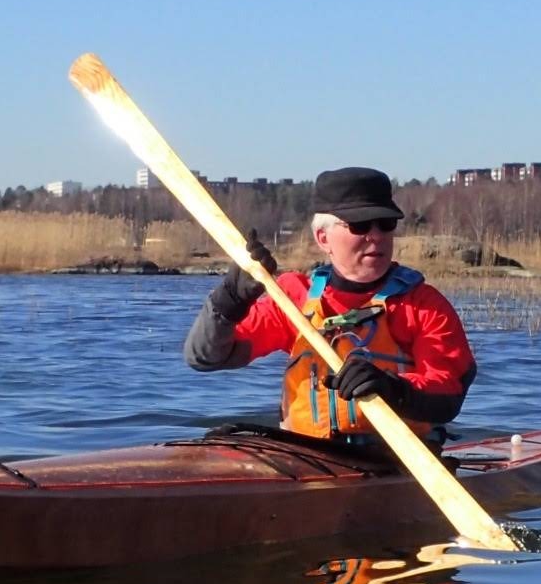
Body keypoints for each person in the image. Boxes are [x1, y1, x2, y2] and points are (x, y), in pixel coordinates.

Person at [184, 167, 476, 447]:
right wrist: (230, 300)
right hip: (310, 456)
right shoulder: (293, 297)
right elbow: (205, 358)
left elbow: (448, 395)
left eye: (385, 224)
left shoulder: (424, 305)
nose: (375, 235)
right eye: (360, 225)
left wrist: (392, 388)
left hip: (392, 461)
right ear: (323, 238)